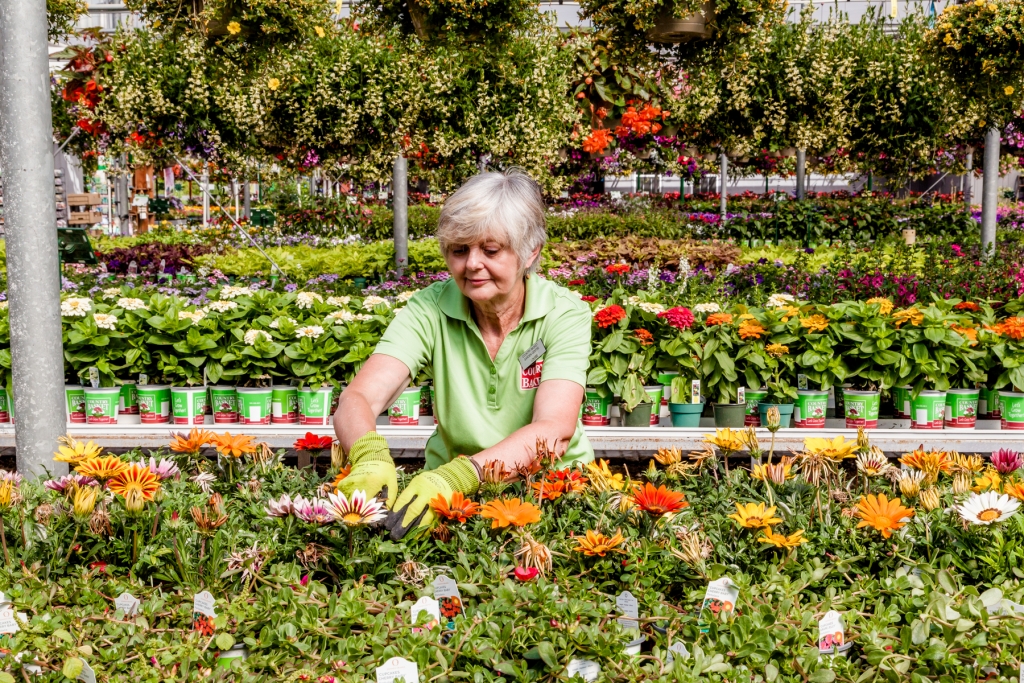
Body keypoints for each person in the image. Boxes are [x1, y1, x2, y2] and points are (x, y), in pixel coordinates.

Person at [333, 168, 594, 539]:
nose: (471, 264)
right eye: (459, 250)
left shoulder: (563, 313)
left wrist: (460, 475)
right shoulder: (430, 308)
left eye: (490, 250)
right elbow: (357, 397)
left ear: (529, 252)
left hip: (551, 495)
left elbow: (553, 430)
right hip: (450, 504)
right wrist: (369, 454)